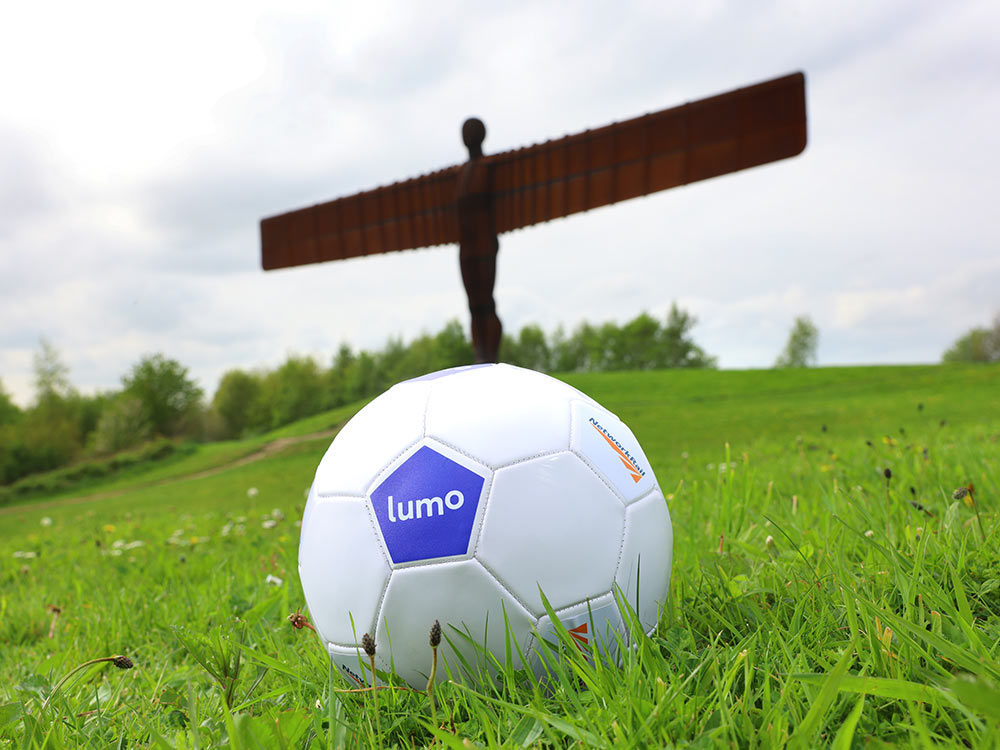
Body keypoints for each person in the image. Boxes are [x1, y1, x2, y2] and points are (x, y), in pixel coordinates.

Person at [456, 117, 502, 363]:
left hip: (484, 242)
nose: (468, 136)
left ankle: (490, 354)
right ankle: (479, 354)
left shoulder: (489, 167)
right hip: (467, 246)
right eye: (465, 132)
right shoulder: (461, 173)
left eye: (471, 132)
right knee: (473, 305)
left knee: (485, 303)